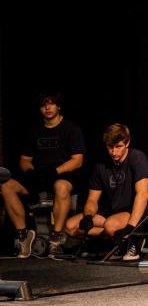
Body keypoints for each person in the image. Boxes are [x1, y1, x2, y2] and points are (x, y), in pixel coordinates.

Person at [1, 92, 85, 258]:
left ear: (58, 106)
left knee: (61, 186)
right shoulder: (34, 130)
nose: (47, 107)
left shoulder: (71, 128)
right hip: (39, 175)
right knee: (7, 186)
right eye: (43, 105)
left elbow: (77, 160)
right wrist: (31, 172)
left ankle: (55, 239)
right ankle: (24, 236)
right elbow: (24, 160)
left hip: (62, 174)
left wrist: (55, 171)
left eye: (51, 103)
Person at [65, 123, 148, 261]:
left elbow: (143, 194)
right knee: (70, 226)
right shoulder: (100, 164)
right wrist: (88, 216)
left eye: (118, 147)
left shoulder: (137, 157)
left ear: (127, 143)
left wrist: (130, 226)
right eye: (110, 147)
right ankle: (118, 239)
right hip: (112, 212)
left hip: (135, 211)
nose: (113, 152)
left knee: (110, 225)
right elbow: (92, 199)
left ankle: (133, 239)